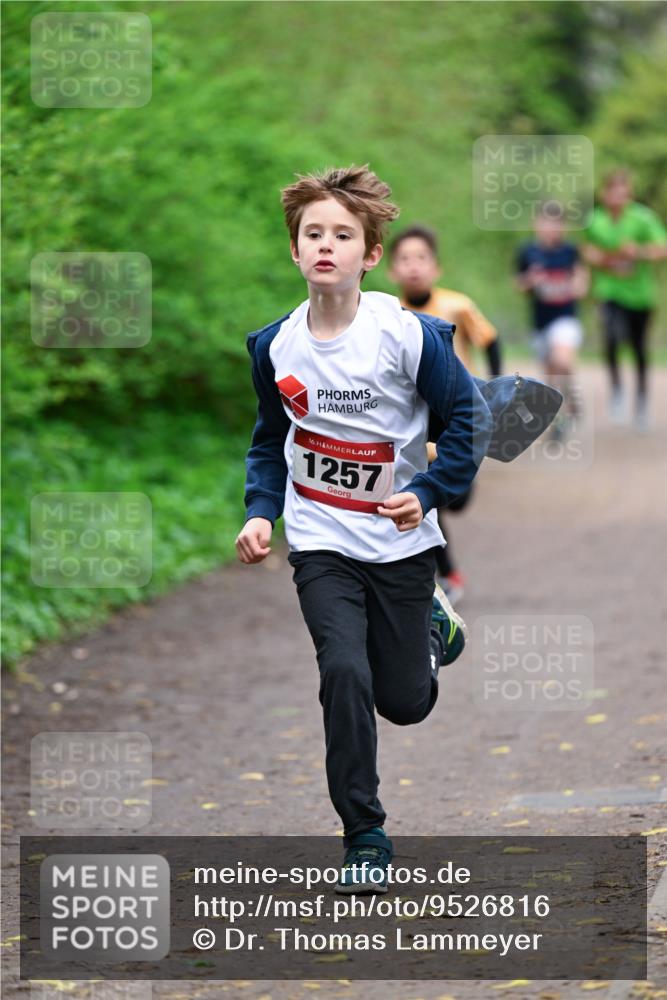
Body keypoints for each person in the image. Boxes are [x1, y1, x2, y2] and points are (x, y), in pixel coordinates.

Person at [236, 164, 554, 895]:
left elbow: (469, 419)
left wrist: (426, 490)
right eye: (311, 233)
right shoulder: (274, 347)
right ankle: (365, 835)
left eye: (341, 234)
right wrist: (261, 511)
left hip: (402, 544)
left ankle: (432, 627)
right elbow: (267, 441)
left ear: (368, 254)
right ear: (294, 249)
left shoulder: (403, 335)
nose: (325, 245)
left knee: (405, 702)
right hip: (320, 542)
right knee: (342, 672)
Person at [388, 224, 502, 605]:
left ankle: (440, 572)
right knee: (420, 495)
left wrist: (497, 388)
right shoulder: (387, 315)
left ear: (436, 268)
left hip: (457, 422)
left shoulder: (458, 305)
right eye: (404, 259)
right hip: (414, 425)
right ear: (391, 270)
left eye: (421, 258)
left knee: (453, 498)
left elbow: (490, 339)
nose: (413, 267)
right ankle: (443, 575)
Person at [580, 169, 667, 430]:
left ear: (629, 194)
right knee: (611, 337)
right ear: (604, 194)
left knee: (639, 348)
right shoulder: (594, 220)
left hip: (640, 295)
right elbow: (585, 249)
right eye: (613, 193)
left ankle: (641, 401)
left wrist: (637, 252)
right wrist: (599, 259)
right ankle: (616, 389)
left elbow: (662, 249)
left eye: (623, 194)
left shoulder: (643, 218)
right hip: (609, 291)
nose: (618, 199)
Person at [515, 201, 589, 439]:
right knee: (551, 375)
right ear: (536, 224)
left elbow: (581, 279)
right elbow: (519, 284)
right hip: (540, 323)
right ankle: (562, 416)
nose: (550, 228)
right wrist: (530, 281)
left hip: (565, 318)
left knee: (562, 359)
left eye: (556, 224)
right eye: (545, 223)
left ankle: (565, 409)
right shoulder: (528, 252)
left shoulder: (570, 251)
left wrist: (576, 285)